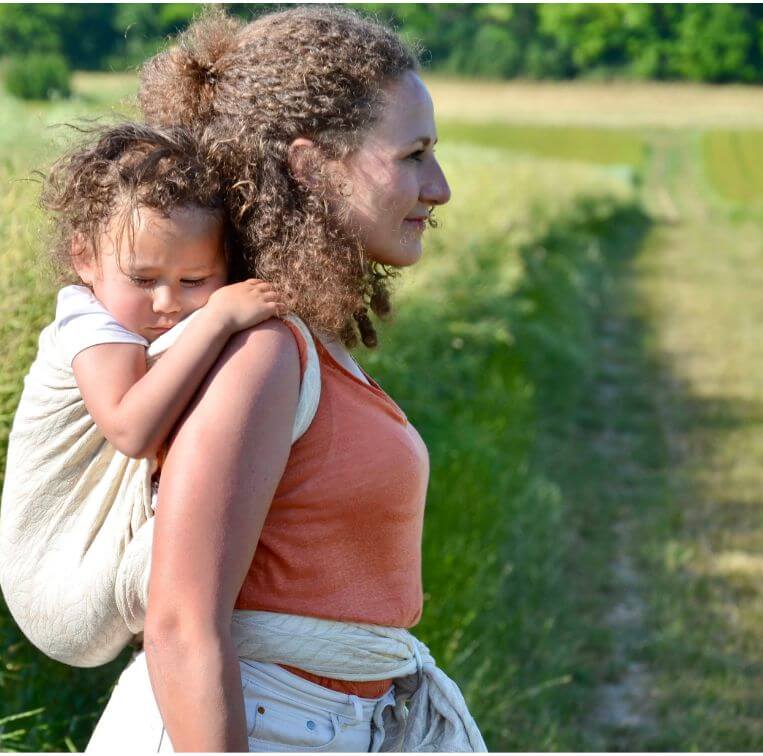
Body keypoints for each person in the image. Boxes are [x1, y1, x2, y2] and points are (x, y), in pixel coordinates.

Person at [86, 7, 486, 753]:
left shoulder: (302, 343)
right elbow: (180, 623)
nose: (439, 187)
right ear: (309, 166)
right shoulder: (263, 354)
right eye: (413, 155)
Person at [0, 123, 284, 667]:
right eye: (143, 278)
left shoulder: (143, 314)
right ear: (85, 260)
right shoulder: (84, 324)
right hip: (59, 579)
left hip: (94, 580)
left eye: (196, 280)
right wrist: (217, 316)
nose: (167, 303)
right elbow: (131, 429)